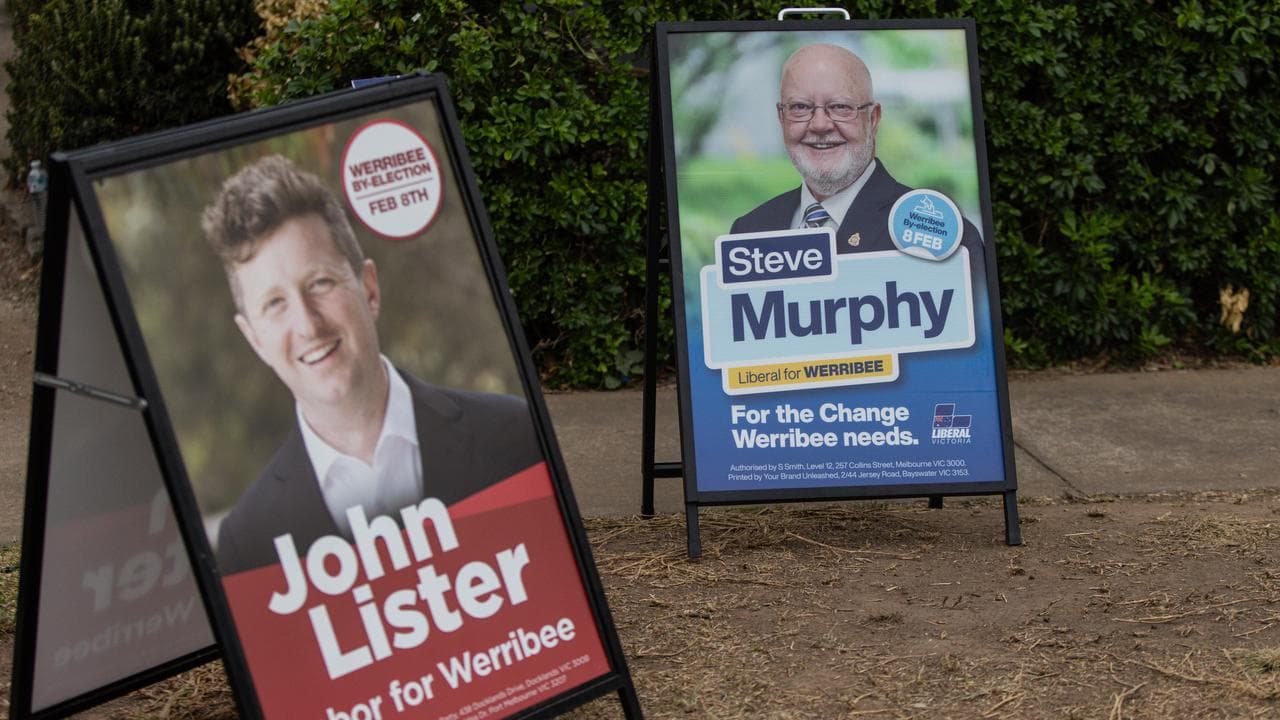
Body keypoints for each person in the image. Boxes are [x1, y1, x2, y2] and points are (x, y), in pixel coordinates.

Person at [203, 154, 541, 574]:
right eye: (275, 304)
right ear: (254, 339)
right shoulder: (248, 542)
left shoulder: (516, 437)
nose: (308, 324)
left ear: (369, 289)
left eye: (320, 283)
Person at [730, 43, 982, 257]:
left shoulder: (940, 236)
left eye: (840, 107)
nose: (820, 125)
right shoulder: (748, 234)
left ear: (873, 119)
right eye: (800, 107)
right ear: (781, 117)